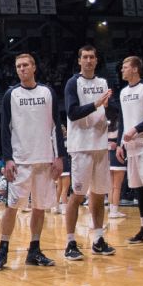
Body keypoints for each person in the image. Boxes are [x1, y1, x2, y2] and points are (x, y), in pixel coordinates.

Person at [0, 53, 64, 272]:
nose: (21, 69)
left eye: (25, 65)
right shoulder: (10, 95)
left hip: (45, 159)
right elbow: (5, 129)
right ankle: (2, 250)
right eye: (18, 66)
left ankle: (34, 249)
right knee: (12, 207)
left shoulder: (48, 92)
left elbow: (55, 126)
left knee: (39, 207)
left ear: (34, 67)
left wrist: (59, 157)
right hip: (20, 160)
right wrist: (8, 159)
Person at [62, 45, 116, 260]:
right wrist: (96, 103)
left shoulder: (103, 82)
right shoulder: (73, 83)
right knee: (77, 194)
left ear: (96, 60)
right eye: (85, 57)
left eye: (92, 57)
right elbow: (73, 112)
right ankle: (70, 242)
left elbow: (107, 111)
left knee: (99, 193)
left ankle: (98, 239)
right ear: (79, 60)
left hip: (100, 145)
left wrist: (108, 108)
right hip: (81, 146)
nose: (89, 60)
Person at [117, 56, 143, 244]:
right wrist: (120, 143)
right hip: (131, 147)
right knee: (138, 188)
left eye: (125, 67)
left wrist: (135, 130)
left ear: (135, 69)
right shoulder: (123, 92)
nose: (122, 70)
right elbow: (123, 119)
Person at [106, 120, 128, 219]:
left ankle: (111, 210)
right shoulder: (120, 130)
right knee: (117, 187)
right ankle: (114, 211)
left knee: (110, 187)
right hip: (118, 158)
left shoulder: (106, 130)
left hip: (108, 158)